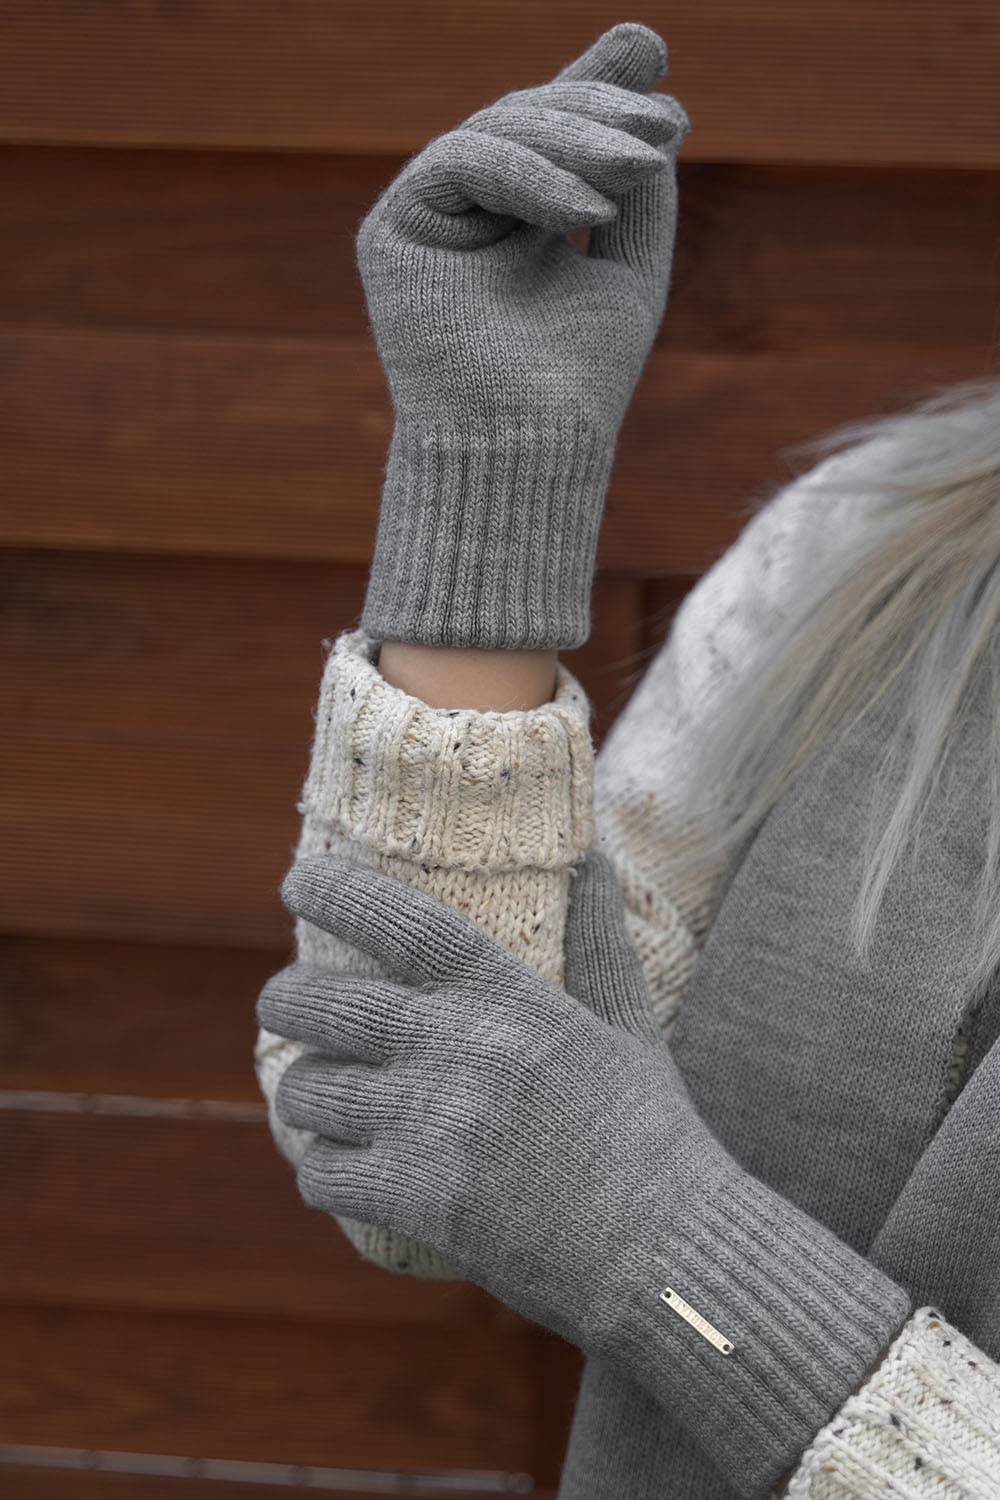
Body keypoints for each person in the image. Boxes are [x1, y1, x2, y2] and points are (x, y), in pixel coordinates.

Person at [253, 22, 1000, 1498]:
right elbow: (402, 1135)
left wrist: (661, 1241)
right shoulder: (873, 549)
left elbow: (587, 1191)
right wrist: (492, 469)